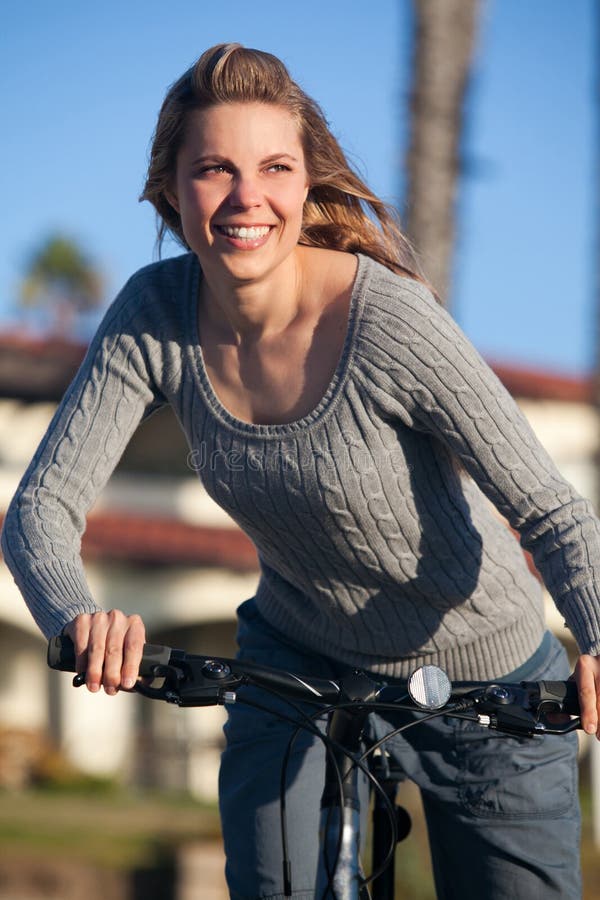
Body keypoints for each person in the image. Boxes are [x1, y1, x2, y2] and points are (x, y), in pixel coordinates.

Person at [2, 42, 600, 899]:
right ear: (172, 190)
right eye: (215, 168)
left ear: (306, 185)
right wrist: (77, 616)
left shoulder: (390, 323)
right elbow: (40, 510)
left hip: (485, 679)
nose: (248, 198)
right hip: (297, 662)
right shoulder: (154, 314)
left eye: (275, 167)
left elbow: (551, 511)